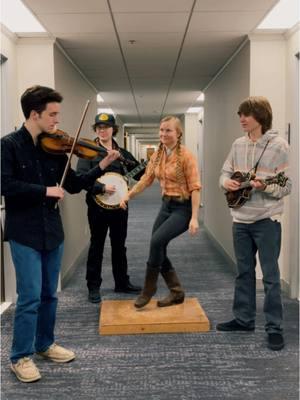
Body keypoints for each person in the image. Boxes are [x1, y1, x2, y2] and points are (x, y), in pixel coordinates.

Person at [1, 85, 120, 383]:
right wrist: (44, 190)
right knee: (29, 297)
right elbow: (4, 185)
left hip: (52, 230)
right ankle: (20, 356)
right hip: (24, 230)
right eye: (52, 114)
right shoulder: (9, 146)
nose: (57, 120)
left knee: (49, 295)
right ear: (34, 114)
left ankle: (44, 344)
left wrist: (101, 166)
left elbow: (74, 183)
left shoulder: (53, 146)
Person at [216, 96, 291, 351]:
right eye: (240, 115)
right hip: (240, 220)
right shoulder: (238, 145)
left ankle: (274, 328)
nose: (242, 119)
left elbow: (286, 185)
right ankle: (244, 319)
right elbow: (224, 173)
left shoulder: (279, 145)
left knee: (270, 277)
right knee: (243, 273)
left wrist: (266, 186)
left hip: (266, 220)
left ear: (260, 116)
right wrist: (226, 182)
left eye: (246, 115)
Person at [120, 115, 201, 308]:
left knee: (157, 241)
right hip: (166, 206)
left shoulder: (187, 156)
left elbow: (195, 187)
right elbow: (146, 179)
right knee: (158, 246)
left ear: (178, 133)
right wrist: (128, 195)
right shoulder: (157, 155)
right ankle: (176, 292)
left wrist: (195, 218)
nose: (164, 134)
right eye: (162, 130)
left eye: (168, 130)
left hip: (183, 208)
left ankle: (149, 289)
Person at [76, 113, 143, 304]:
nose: (102, 130)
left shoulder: (124, 154)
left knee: (119, 246)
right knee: (97, 245)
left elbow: (139, 174)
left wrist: (149, 164)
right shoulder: (88, 152)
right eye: (98, 127)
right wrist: (101, 188)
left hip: (120, 207)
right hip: (97, 208)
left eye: (105, 126)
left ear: (114, 129)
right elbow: (82, 179)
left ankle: (122, 282)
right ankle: (93, 286)